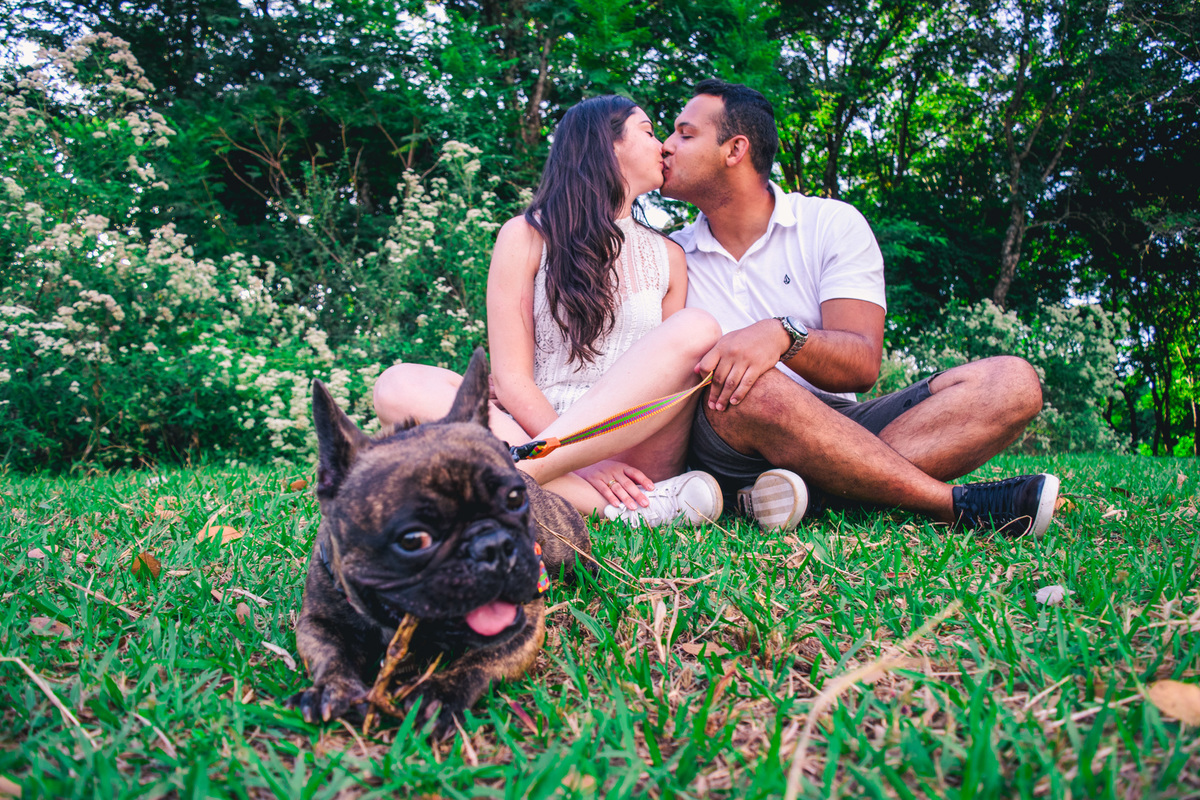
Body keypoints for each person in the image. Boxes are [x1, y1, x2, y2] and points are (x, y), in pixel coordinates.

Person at [658, 79, 1060, 536]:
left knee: (1013, 382)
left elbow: (862, 364)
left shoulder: (830, 224)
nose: (666, 146)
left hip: (838, 422)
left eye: (684, 134)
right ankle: (952, 504)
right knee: (749, 383)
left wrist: (782, 334)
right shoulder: (671, 254)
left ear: (735, 150)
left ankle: (793, 497)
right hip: (730, 432)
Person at [373, 95, 724, 527]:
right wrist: (574, 459)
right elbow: (512, 380)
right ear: (607, 144)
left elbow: (671, 382)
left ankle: (506, 476)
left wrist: (582, 453)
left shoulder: (669, 256)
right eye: (649, 132)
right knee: (398, 385)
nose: (664, 146)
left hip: (634, 447)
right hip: (536, 435)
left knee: (698, 327)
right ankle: (624, 509)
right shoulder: (524, 235)